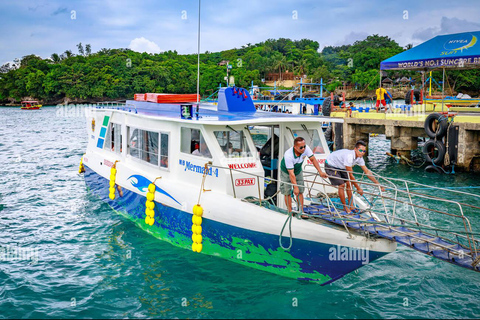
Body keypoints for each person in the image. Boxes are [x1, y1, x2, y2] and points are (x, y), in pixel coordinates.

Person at [325, 140, 384, 213]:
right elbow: (350, 174)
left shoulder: (360, 158)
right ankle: (345, 207)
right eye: (360, 150)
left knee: (350, 184)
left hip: (342, 166)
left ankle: (351, 205)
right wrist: (358, 188)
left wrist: (377, 183)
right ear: (355, 149)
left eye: (364, 151)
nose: (362, 153)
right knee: (342, 185)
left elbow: (367, 171)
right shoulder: (349, 156)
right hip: (331, 165)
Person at [280, 137, 328, 217]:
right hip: (287, 172)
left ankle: (301, 211)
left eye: (304, 146)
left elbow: (313, 159)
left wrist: (320, 172)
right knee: (287, 192)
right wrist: (295, 187)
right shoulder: (288, 155)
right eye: (301, 147)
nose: (303, 149)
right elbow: (291, 174)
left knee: (300, 191)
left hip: (298, 170)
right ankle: (290, 211)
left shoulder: (306, 149)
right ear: (295, 147)